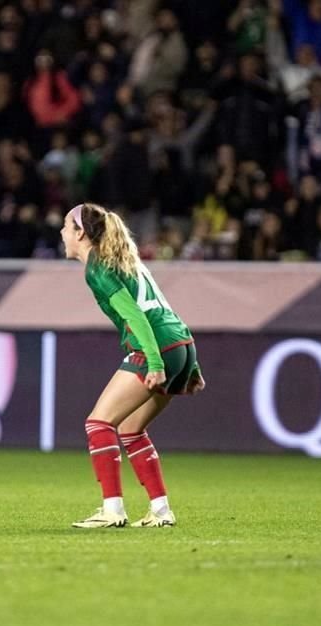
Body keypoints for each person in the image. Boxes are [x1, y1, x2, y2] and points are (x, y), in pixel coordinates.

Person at [60, 202, 205, 528]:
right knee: (130, 429)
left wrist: (154, 361)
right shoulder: (127, 262)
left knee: (98, 424)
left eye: (67, 226)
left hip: (156, 347)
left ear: (81, 233)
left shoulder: (98, 268)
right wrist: (190, 364)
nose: (62, 232)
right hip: (180, 344)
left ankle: (112, 510)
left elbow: (136, 316)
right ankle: (161, 511)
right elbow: (162, 307)